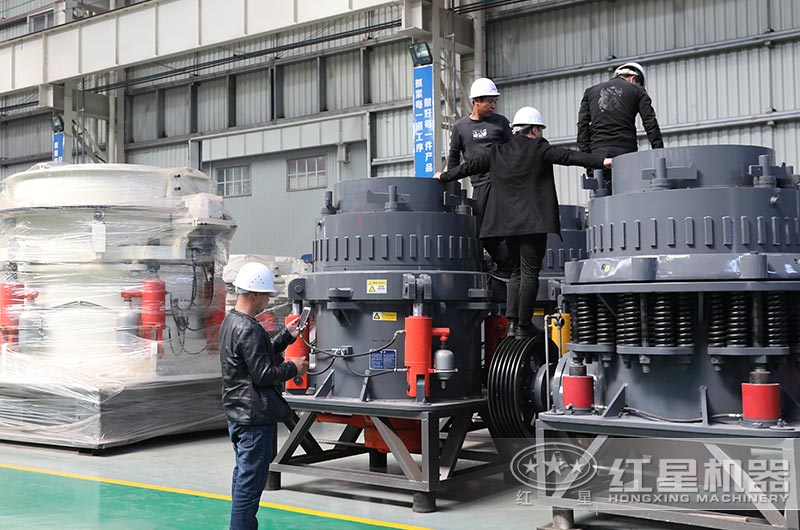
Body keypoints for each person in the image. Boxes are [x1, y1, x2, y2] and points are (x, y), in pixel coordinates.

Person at [437, 107, 611, 338]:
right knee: (529, 272)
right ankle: (524, 324)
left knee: (516, 273)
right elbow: (570, 157)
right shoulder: (540, 148)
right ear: (535, 129)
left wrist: (444, 176)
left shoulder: (498, 151)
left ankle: (512, 323)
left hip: (505, 225)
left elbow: (468, 167)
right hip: (534, 223)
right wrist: (603, 161)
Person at [219, 261, 309, 530]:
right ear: (255, 294)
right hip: (255, 419)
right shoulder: (248, 328)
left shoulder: (232, 322)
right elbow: (263, 374)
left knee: (243, 478)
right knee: (250, 486)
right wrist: (295, 367)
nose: (268, 301)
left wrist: (287, 335)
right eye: (267, 295)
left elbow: (257, 354)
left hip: (239, 415)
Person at [577, 61, 663, 191]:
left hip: (598, 154)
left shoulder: (590, 92)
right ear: (634, 78)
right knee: (627, 198)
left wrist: (587, 160)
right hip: (626, 153)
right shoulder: (638, 91)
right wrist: (659, 155)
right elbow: (650, 124)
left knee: (601, 197)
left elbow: (582, 125)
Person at [447, 77, 512, 236]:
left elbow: (515, 151)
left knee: (507, 230)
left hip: (502, 184)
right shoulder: (460, 127)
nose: (493, 105)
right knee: (483, 232)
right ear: (476, 101)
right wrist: (450, 188)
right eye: (490, 101)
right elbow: (453, 160)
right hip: (480, 187)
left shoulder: (501, 122)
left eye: (495, 101)